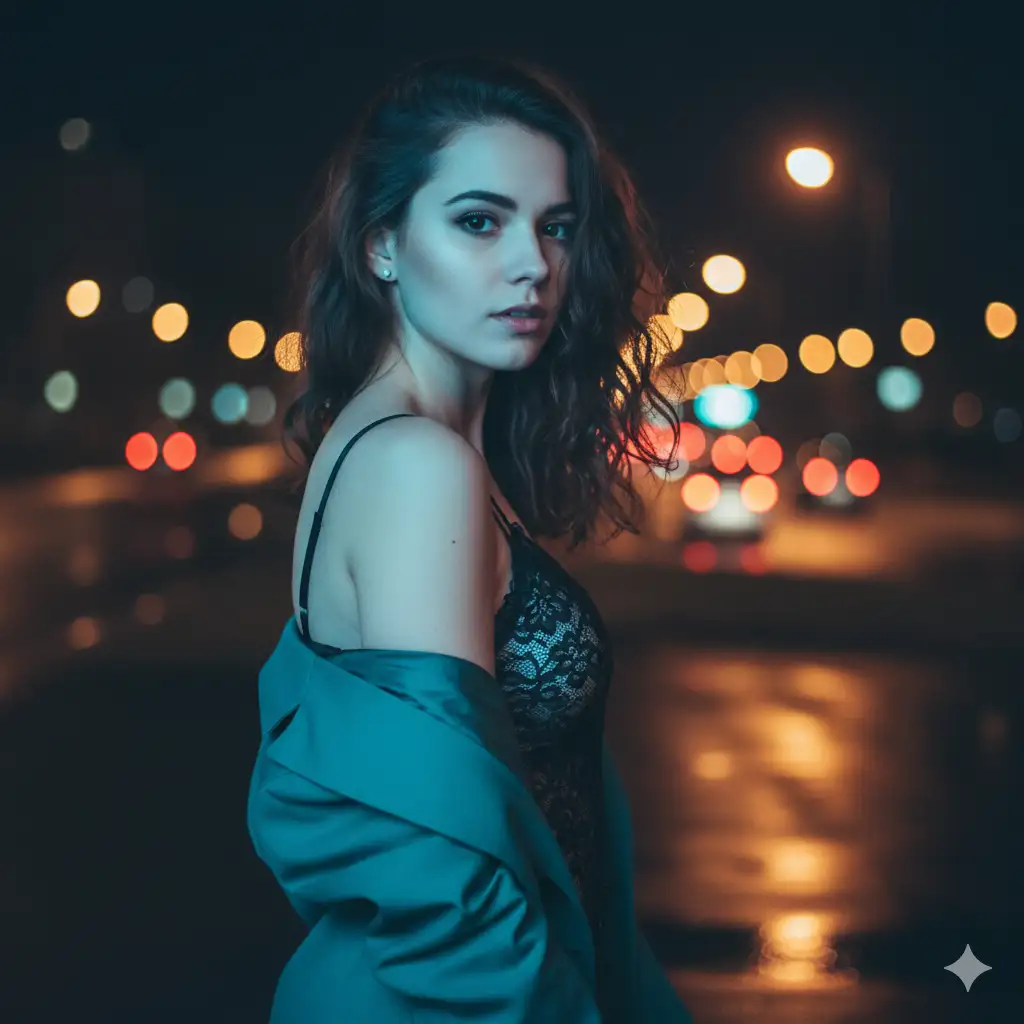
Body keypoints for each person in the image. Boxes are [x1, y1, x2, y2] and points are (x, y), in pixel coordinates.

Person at [247, 51, 691, 1022]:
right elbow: (446, 873)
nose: (533, 262)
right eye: (480, 220)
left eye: (556, 226)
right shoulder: (417, 463)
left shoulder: (408, 446)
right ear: (383, 247)